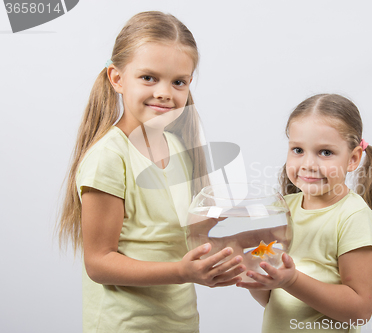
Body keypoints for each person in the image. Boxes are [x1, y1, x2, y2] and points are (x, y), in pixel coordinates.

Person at [57, 11, 245, 332]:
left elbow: (178, 237)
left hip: (179, 323)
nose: (164, 92)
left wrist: (248, 232)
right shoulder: (109, 157)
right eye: (149, 78)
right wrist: (182, 273)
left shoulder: (178, 149)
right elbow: (99, 263)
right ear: (117, 79)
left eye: (179, 82)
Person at [237, 94, 372, 332]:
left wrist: (291, 280)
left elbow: (359, 312)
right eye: (298, 150)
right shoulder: (282, 208)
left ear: (353, 158)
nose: (308, 164)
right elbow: (269, 300)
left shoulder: (353, 217)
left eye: (325, 152)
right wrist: (255, 274)